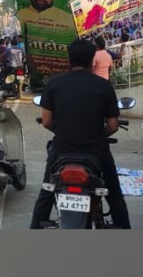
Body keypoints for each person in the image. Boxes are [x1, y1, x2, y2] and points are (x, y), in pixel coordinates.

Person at [29, 39, 131, 229]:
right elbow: (113, 126)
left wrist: (61, 131)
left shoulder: (54, 84)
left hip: (61, 150)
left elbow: (47, 122)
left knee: (46, 193)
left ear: (69, 59)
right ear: (92, 61)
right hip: (96, 151)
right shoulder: (104, 86)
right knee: (115, 196)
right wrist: (99, 134)